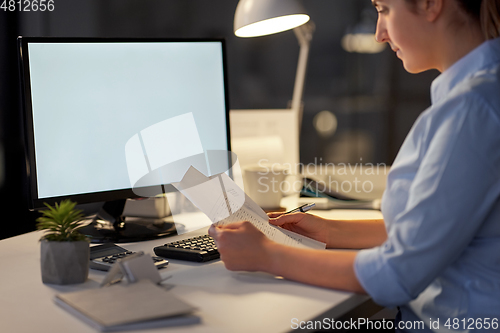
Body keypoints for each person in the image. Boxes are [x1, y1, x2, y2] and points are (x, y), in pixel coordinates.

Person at [209, 0, 500, 331]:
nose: (378, 34)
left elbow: (397, 274)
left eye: (384, 9)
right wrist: (332, 231)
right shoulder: (478, 95)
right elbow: (434, 230)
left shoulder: (471, 111)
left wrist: (266, 255)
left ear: (430, 4)